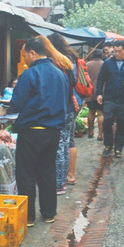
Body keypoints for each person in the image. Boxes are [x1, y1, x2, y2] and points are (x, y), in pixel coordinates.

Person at [10, 36, 69, 226]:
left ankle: (28, 217)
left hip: (32, 131)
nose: (25, 59)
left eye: (25, 55)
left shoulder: (29, 74)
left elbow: (17, 104)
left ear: (33, 53)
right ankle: (49, 213)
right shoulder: (60, 74)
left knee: (26, 174)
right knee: (47, 172)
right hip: (53, 132)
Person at [48, 33, 82, 192]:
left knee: (60, 144)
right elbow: (74, 83)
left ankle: (59, 184)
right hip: (73, 104)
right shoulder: (70, 59)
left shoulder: (57, 62)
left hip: (63, 106)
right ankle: (68, 177)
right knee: (68, 141)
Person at [96, 40, 124, 158]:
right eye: (115, 51)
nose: (117, 54)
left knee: (122, 125)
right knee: (107, 123)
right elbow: (100, 79)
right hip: (109, 99)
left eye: (119, 51)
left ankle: (119, 148)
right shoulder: (107, 63)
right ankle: (108, 145)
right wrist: (99, 93)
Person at [85, 49, 104, 141]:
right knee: (100, 113)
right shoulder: (104, 64)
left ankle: (90, 131)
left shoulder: (88, 64)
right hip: (101, 92)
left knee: (91, 112)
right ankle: (100, 134)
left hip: (90, 92)